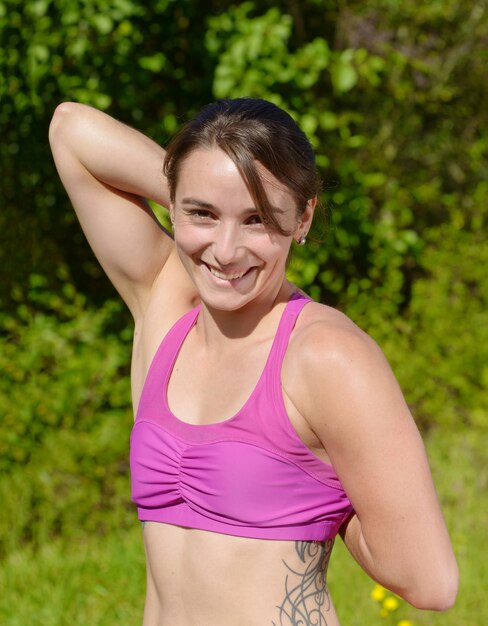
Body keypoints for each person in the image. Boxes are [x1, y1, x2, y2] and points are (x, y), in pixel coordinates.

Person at [49, 97, 458, 626]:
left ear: (303, 217)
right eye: (203, 213)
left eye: (258, 218)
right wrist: (210, 179)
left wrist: (328, 495)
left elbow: (431, 581)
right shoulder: (164, 309)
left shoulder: (326, 356)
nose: (226, 250)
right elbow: (71, 131)